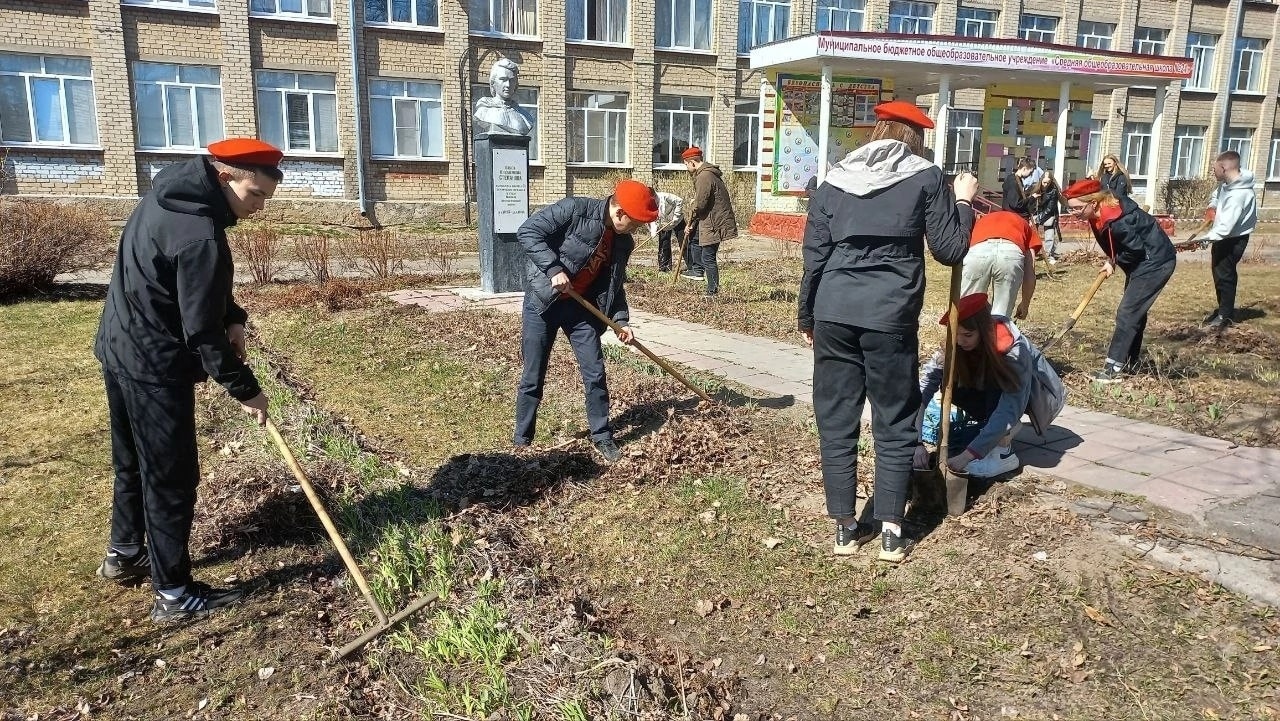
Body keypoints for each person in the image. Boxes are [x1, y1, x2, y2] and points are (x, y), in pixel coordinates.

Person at [94, 138, 282, 623]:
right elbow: (200, 330)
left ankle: (126, 552)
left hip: (119, 346)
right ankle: (174, 594)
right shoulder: (200, 233)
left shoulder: (167, 194)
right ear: (224, 176)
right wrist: (246, 389)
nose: (258, 208)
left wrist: (234, 314)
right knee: (171, 477)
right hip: (155, 365)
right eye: (255, 194)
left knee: (131, 460)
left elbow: (189, 287)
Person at [798, 99, 978, 563]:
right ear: (916, 138)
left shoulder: (834, 179)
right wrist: (962, 201)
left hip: (834, 310)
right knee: (894, 418)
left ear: (877, 130)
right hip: (890, 316)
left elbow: (814, 257)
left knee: (836, 418)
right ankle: (892, 533)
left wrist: (807, 316)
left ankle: (843, 527)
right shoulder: (927, 178)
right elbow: (951, 249)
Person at [514, 179, 658, 463]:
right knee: (533, 374)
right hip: (543, 303)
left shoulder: (622, 242)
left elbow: (614, 284)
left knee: (594, 373)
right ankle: (522, 439)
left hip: (580, 310)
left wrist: (621, 319)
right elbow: (528, 231)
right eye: (635, 224)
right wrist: (553, 268)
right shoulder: (574, 209)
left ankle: (602, 436)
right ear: (619, 213)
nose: (636, 231)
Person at [1062, 177, 1175, 383]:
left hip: (1155, 262)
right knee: (1135, 313)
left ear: (1093, 202)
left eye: (1077, 208)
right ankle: (1129, 361)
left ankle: (1113, 367)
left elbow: (1135, 249)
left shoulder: (1118, 221)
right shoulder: (1100, 214)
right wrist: (1113, 258)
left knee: (1128, 312)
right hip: (1141, 261)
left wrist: (1113, 261)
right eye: (1071, 209)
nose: (1074, 213)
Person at [913, 293, 1038, 479]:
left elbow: (1009, 407)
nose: (961, 341)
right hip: (989, 392)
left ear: (984, 330)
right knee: (953, 387)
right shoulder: (955, 346)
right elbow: (922, 391)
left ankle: (1003, 453)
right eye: (956, 334)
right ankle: (992, 430)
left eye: (968, 335)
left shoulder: (1013, 352)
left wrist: (966, 456)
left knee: (1000, 406)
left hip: (1029, 398)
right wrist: (915, 442)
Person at [1196, 150, 1257, 330]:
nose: (1212, 172)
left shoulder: (1239, 194)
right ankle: (1223, 309)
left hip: (1232, 239)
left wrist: (1203, 240)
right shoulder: (1228, 184)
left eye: (1214, 168)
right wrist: (1213, 206)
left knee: (1226, 276)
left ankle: (1225, 316)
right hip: (1223, 237)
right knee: (1219, 274)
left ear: (1224, 167)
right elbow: (1217, 195)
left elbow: (1226, 228)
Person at [960, 210, 1041, 320]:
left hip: (979, 250)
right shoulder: (1025, 224)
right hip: (1010, 252)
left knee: (967, 308)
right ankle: (997, 333)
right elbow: (1029, 274)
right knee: (1001, 315)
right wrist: (1025, 305)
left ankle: (966, 332)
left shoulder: (982, 220)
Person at [681, 146, 738, 296]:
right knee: (695, 240)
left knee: (708, 257)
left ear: (692, 162)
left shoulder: (704, 176)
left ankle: (712, 291)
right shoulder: (708, 174)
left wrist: (692, 212)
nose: (686, 168)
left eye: (686, 164)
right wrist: (692, 224)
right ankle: (697, 271)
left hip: (714, 222)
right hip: (709, 220)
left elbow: (700, 203)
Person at [473, 58, 533, 137]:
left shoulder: (525, 116)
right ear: (493, 83)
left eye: (512, 80)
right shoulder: (484, 110)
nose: (508, 85)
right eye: (503, 79)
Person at [648, 190, 684, 273]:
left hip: (677, 220)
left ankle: (691, 267)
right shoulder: (649, 202)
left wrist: (676, 217)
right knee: (664, 244)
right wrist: (653, 231)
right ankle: (664, 268)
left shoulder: (665, 196)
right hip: (664, 224)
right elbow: (651, 219)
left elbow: (679, 200)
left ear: (655, 195)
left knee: (683, 243)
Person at [1033, 169, 1062, 263]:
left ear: (1051, 182)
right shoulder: (1036, 189)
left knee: (1049, 236)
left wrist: (1039, 219)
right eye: (1044, 182)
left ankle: (1049, 255)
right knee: (1032, 233)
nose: (1045, 184)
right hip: (1036, 213)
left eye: (1047, 182)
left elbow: (1050, 208)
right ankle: (1031, 252)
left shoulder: (1053, 191)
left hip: (1049, 214)